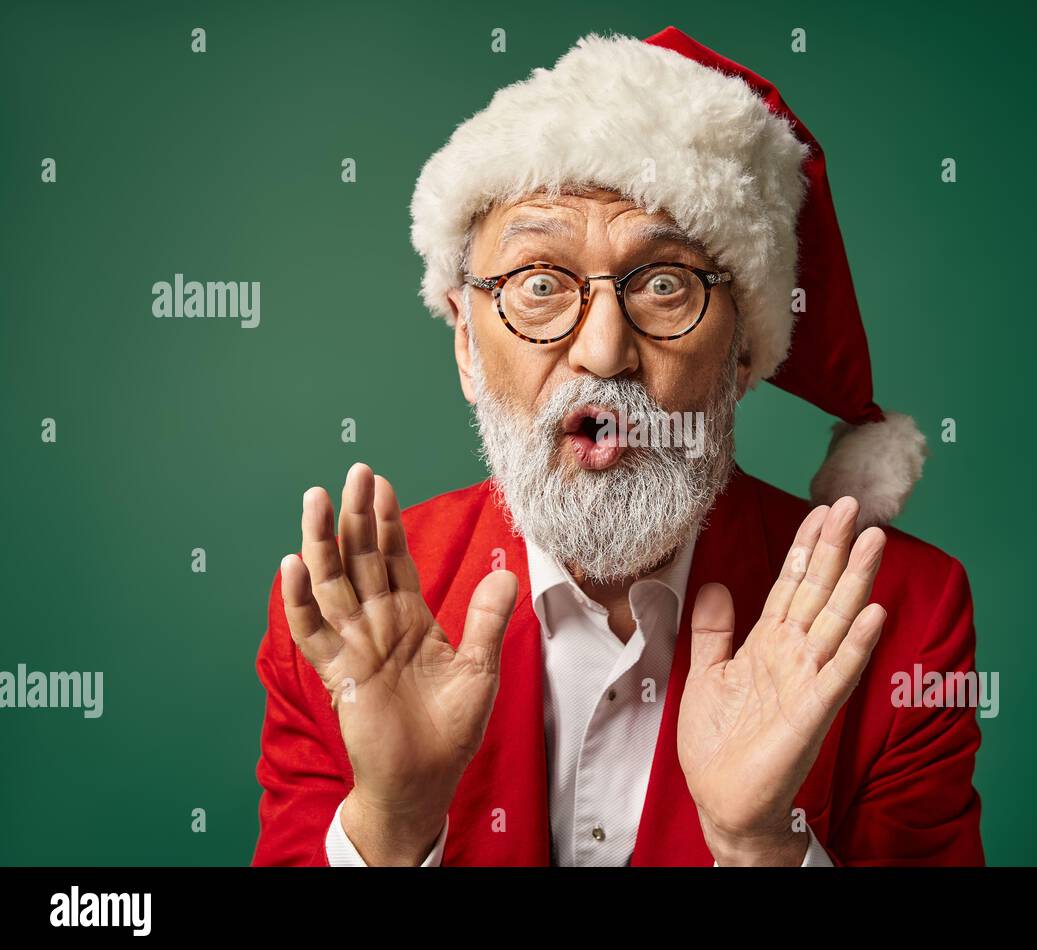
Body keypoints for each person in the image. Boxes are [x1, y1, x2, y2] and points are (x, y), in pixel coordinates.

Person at [251, 25, 983, 867]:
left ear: (745, 350)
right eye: (539, 284)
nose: (603, 352)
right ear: (464, 344)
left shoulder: (901, 618)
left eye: (665, 284)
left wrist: (760, 846)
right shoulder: (345, 626)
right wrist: (392, 822)